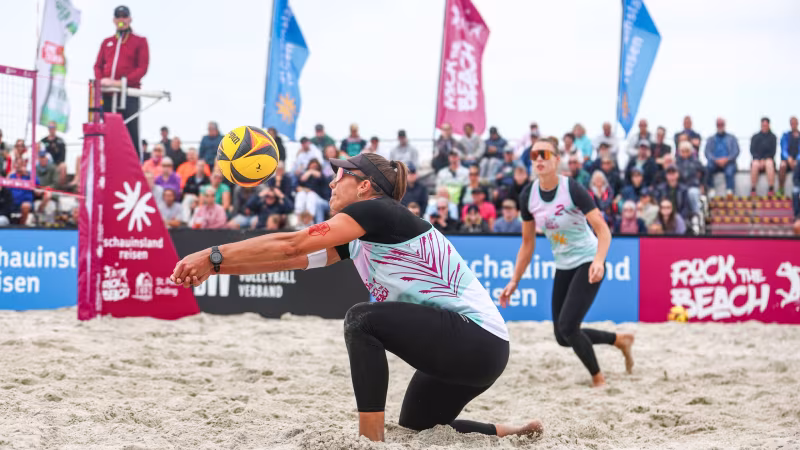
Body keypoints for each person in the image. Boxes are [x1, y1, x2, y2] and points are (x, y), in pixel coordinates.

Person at [170, 152, 541, 442]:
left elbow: (292, 243)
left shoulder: (380, 212)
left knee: (362, 320)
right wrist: (216, 266)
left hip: (476, 339)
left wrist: (213, 253)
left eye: (340, 176)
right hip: (481, 354)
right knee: (417, 424)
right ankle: (509, 432)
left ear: (364, 186)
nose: (332, 182)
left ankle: (370, 441)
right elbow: (294, 258)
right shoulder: (362, 235)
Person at [499, 137, 634, 388]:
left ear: (557, 160)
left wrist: (599, 261)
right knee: (562, 336)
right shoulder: (528, 195)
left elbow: (603, 231)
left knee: (569, 326)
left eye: (545, 154)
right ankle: (619, 340)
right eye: (534, 154)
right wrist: (514, 280)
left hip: (588, 260)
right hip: (563, 264)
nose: (539, 158)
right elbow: (527, 244)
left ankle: (598, 379)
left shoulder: (572, 189)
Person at [93, 5, 149, 157]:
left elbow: (142, 68)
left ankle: (135, 168)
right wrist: (101, 81)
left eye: (124, 16)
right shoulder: (107, 42)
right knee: (107, 131)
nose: (121, 20)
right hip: (108, 95)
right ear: (114, 20)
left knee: (131, 133)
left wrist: (122, 82)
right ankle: (107, 166)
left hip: (128, 95)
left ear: (129, 19)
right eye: (118, 17)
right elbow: (98, 65)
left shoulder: (140, 41)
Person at [704, 117, 740, 197]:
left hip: (729, 162)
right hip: (714, 162)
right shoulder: (711, 139)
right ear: (716, 125)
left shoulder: (732, 138)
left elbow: (736, 151)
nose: (720, 126)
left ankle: (730, 191)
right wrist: (715, 160)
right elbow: (707, 152)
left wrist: (727, 159)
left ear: (724, 125)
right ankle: (711, 189)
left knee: (729, 171)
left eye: (721, 124)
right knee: (708, 168)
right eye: (718, 124)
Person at [749, 117, 777, 197]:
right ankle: (753, 188)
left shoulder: (773, 137)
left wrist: (764, 159)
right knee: (754, 164)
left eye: (766, 125)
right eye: (763, 125)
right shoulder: (755, 136)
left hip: (768, 159)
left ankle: (771, 188)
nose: (764, 126)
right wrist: (759, 159)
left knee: (769, 164)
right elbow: (752, 150)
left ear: (769, 125)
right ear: (761, 125)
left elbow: (773, 151)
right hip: (757, 159)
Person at [779, 116, 799, 195]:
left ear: (797, 123)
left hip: (798, 161)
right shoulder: (785, 135)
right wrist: (788, 158)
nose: (793, 125)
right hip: (787, 160)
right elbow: (783, 148)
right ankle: (781, 189)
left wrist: (797, 159)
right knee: (782, 165)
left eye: (794, 123)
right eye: (791, 123)